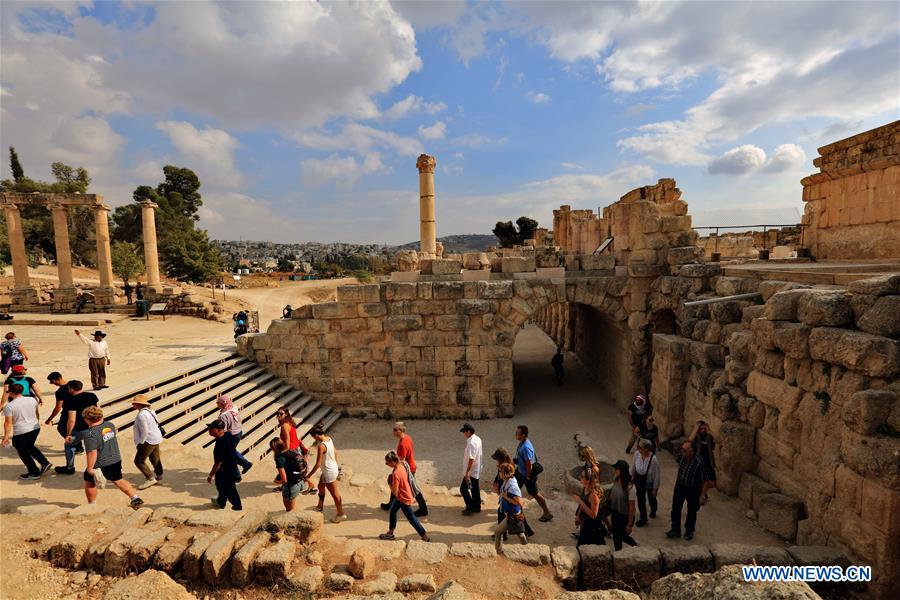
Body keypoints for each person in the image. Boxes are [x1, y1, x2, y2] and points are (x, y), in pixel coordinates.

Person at [72, 405, 143, 508]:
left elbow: (92, 453)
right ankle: (135, 498)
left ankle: (92, 506)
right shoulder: (110, 425)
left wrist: (90, 468)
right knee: (118, 479)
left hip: (101, 462)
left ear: (87, 419)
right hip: (115, 459)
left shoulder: (90, 434)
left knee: (89, 481)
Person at [1, 383, 52, 479]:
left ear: (11, 393)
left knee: (23, 452)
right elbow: (36, 413)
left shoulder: (9, 406)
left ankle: (34, 472)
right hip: (34, 428)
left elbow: (8, 423)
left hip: (21, 431)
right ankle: (45, 463)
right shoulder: (32, 400)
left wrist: (6, 437)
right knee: (30, 446)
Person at [379, 451, 430, 541]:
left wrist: (389, 483)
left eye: (388, 463)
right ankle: (390, 532)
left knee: (411, 519)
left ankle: (424, 536)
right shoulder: (402, 465)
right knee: (393, 512)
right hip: (403, 495)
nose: (387, 465)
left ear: (393, 462)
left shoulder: (396, 474)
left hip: (403, 498)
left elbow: (395, 491)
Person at [667, 441, 713, 541]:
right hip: (680, 486)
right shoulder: (682, 457)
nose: (681, 451)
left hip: (693, 489)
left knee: (692, 511)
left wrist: (702, 495)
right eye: (682, 449)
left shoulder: (699, 462)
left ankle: (689, 531)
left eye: (684, 450)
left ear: (691, 452)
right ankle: (675, 529)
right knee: (675, 508)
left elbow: (705, 480)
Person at [381, 422, 427, 517]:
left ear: (400, 430)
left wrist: (396, 471)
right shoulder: (407, 438)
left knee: (414, 489)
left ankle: (423, 509)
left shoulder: (402, 444)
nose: (393, 431)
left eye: (395, 430)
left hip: (407, 469)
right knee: (398, 484)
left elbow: (400, 461)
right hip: (410, 467)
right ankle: (390, 505)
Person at [55, 380, 98, 474]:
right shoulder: (92, 396)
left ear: (71, 389)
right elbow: (98, 410)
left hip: (79, 429)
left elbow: (71, 420)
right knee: (91, 449)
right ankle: (94, 468)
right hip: (92, 427)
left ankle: (69, 467)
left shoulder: (71, 400)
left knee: (69, 445)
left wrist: (68, 434)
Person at [307, 423, 347, 523]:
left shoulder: (321, 446)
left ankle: (340, 514)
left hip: (329, 472)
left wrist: (308, 476)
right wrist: (335, 465)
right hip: (330, 469)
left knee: (335, 494)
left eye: (313, 437)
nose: (314, 439)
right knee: (321, 486)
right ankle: (320, 506)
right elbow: (335, 452)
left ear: (316, 435)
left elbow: (317, 464)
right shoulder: (329, 438)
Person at [491, 447, 534, 537]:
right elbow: (498, 477)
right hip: (508, 493)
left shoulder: (504, 467)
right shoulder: (504, 465)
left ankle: (503, 535)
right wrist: (496, 482)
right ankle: (527, 531)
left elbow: (504, 480)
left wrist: (499, 490)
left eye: (496, 459)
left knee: (506, 512)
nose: (495, 461)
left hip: (509, 493)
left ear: (500, 459)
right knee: (509, 512)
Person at [514, 425, 553, 522]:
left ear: (523, 435)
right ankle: (515, 508)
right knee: (514, 489)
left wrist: (528, 476)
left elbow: (529, 463)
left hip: (527, 475)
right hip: (520, 472)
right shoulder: (522, 443)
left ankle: (547, 513)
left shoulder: (526, 447)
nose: (515, 434)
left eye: (517, 433)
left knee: (535, 493)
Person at [45, 372, 83, 455]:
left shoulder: (59, 392)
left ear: (55, 380)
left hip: (67, 412)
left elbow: (58, 408)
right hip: (79, 409)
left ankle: (77, 446)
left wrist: (49, 419)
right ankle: (78, 446)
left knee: (62, 428)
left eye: (51, 382)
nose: (52, 384)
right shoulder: (73, 384)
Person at [206, 419, 242, 510]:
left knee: (230, 489)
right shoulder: (228, 435)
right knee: (220, 486)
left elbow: (218, 463)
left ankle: (237, 506)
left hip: (225, 470)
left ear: (218, 429)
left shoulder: (220, 444)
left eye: (211, 429)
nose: (209, 430)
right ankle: (221, 502)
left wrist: (210, 475)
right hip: (231, 467)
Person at [492, 462, 527, 551]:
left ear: (505, 473)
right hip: (510, 514)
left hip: (513, 515)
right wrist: (499, 492)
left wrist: (506, 497)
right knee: (520, 533)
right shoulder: (507, 481)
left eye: (500, 471)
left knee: (498, 532)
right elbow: (502, 493)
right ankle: (526, 546)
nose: (499, 473)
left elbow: (520, 503)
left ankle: (498, 552)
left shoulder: (512, 486)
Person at [132, 395, 164, 490]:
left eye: (134, 403)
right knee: (155, 458)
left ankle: (150, 478)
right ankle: (159, 475)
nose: (133, 404)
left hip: (148, 440)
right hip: (156, 437)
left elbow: (145, 431)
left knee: (139, 461)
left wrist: (141, 442)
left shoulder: (141, 415)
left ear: (138, 404)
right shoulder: (151, 411)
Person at [216, 395, 253, 475]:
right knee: (231, 452)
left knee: (229, 455)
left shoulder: (223, 416)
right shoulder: (233, 408)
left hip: (231, 435)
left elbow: (223, 429)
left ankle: (237, 474)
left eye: (218, 402)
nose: (217, 404)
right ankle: (245, 464)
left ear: (222, 404)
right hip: (238, 432)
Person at [571, 467, 607, 547]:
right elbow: (583, 502)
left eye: (582, 476)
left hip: (593, 529)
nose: (580, 477)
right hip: (586, 524)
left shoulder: (593, 495)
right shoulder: (586, 488)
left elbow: (594, 515)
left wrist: (580, 501)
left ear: (588, 480)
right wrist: (578, 516)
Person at [270, 437, 308, 511]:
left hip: (291, 486)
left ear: (274, 449)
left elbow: (284, 480)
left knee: (289, 510)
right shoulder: (291, 452)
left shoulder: (279, 458)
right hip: (301, 481)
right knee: (292, 506)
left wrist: (277, 482)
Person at [607, 459, 638, 550]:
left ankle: (633, 545)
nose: (615, 470)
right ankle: (619, 552)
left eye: (616, 469)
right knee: (617, 536)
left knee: (620, 536)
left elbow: (632, 508)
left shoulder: (630, 488)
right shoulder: (616, 479)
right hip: (615, 513)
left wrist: (629, 524)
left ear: (621, 471)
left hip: (624, 516)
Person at [631, 439, 660, 527]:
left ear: (646, 449)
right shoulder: (637, 454)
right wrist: (631, 477)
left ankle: (653, 509)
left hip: (648, 480)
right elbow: (634, 466)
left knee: (651, 497)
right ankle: (643, 518)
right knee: (640, 498)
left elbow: (656, 475)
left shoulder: (653, 460)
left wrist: (655, 489)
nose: (638, 448)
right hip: (638, 479)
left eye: (640, 447)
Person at [460, 422, 483, 515]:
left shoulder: (471, 443)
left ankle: (470, 507)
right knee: (475, 489)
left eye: (464, 432)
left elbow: (471, 458)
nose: (463, 433)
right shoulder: (477, 439)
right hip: (476, 469)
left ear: (469, 431)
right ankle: (477, 507)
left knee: (463, 489)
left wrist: (467, 473)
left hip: (471, 471)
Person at [689, 421, 717, 489]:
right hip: (698, 461)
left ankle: (703, 491)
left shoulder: (709, 436)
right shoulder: (696, 435)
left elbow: (718, 440)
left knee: (713, 483)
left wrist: (710, 431)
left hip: (708, 461)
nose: (703, 430)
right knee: (698, 480)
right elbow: (690, 440)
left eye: (704, 428)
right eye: (701, 428)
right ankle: (703, 494)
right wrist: (695, 429)